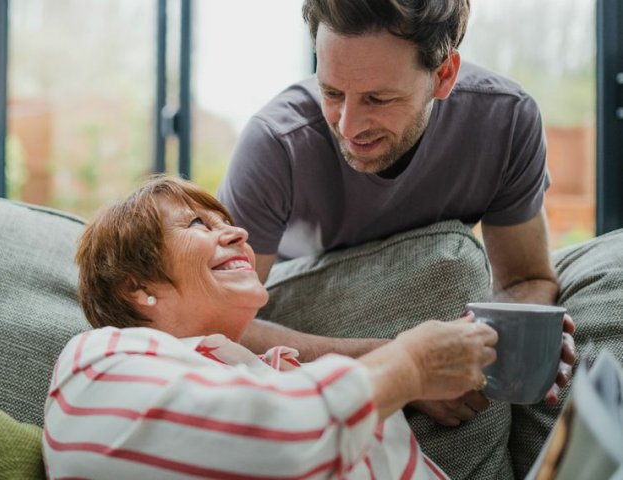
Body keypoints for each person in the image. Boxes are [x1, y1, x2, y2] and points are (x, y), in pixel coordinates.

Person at [217, 0, 576, 425]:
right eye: (331, 92)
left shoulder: (506, 120)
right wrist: (406, 366)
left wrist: (517, 341)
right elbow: (215, 322)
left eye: (378, 99)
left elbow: (525, 279)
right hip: (305, 366)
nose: (348, 126)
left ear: (444, 75)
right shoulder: (276, 144)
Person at [42, 175, 498, 479]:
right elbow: (276, 441)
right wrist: (412, 365)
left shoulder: (269, 372)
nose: (239, 233)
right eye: (197, 224)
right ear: (138, 286)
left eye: (227, 222)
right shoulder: (97, 361)